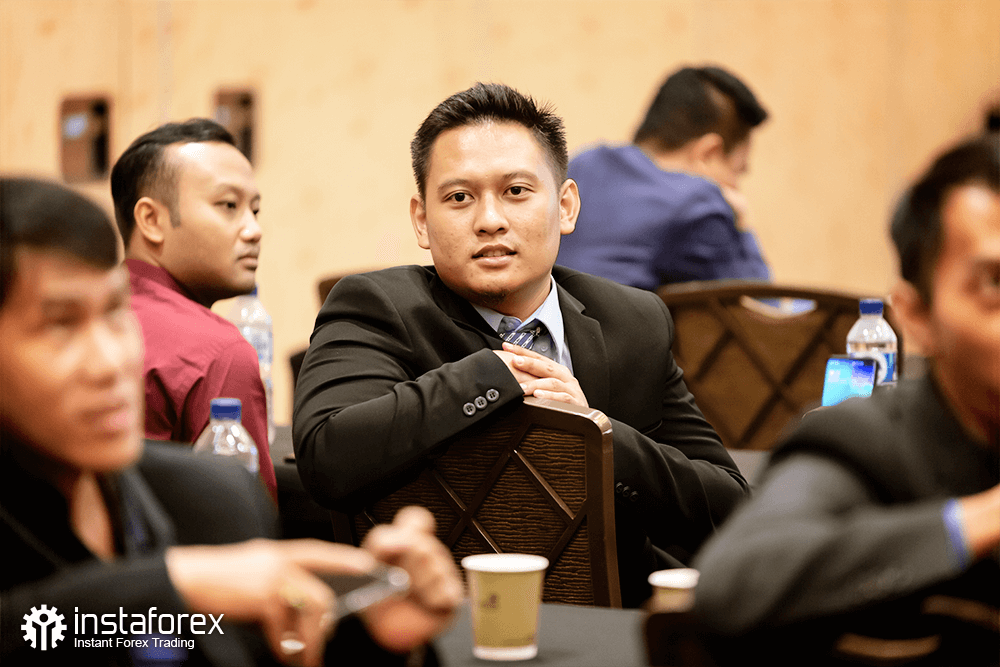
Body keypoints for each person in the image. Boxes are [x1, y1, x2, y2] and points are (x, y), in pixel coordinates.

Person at [293, 83, 748, 607]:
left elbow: (731, 509)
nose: (490, 220)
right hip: (444, 616)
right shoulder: (379, 307)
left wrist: (596, 435)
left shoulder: (632, 320)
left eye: (515, 191)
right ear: (422, 220)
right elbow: (327, 455)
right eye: (459, 198)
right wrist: (494, 376)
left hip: (612, 620)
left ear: (566, 206)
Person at [0, 177, 462, 667]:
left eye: (116, 313)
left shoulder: (211, 500)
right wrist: (176, 584)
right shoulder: (195, 568)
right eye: (61, 325)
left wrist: (369, 636)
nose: (110, 362)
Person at [692, 135, 1000, 665]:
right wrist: (982, 520)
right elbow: (734, 585)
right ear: (917, 318)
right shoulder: (867, 442)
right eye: (994, 283)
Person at [110, 119, 276, 498]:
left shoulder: (85, 324)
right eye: (229, 205)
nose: (254, 230)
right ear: (151, 220)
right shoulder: (219, 353)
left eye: (254, 210)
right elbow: (249, 519)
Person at [556, 65, 771, 290]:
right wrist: (741, 222)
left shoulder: (583, 164)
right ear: (708, 154)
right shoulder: (700, 203)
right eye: (737, 170)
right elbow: (760, 304)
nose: (736, 185)